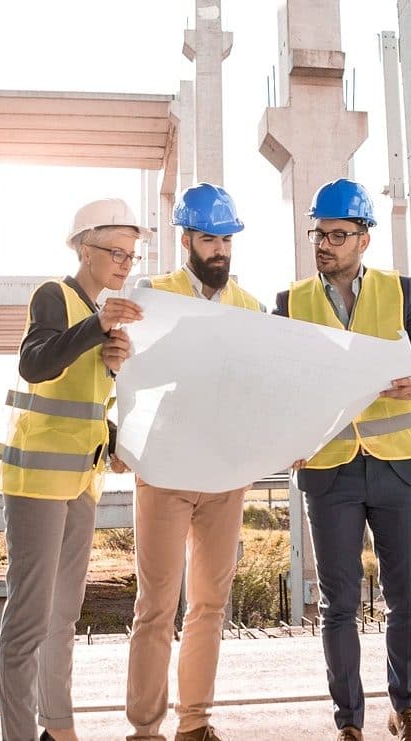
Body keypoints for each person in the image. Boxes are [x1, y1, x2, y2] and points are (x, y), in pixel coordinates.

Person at [274, 179, 411, 741]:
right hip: (330, 471)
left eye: (336, 234)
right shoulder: (290, 302)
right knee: (338, 603)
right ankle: (349, 721)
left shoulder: (399, 292)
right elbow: (273, 381)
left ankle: (406, 708)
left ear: (363, 239)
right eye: (318, 233)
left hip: (398, 466)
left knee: (407, 597)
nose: (324, 244)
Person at [0, 198, 148, 741]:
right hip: (37, 481)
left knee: (64, 616)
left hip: (82, 481)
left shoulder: (101, 315)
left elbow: (85, 406)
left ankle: (58, 728)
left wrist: (110, 362)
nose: (125, 263)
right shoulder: (54, 295)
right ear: (84, 247)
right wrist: (95, 330)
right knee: (30, 619)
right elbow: (34, 364)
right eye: (115, 252)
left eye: (132, 255)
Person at [125, 183, 265, 741]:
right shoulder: (152, 295)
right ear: (187, 239)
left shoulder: (250, 308)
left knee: (209, 604)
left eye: (227, 240)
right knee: (156, 605)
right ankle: (144, 729)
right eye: (210, 238)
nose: (221, 251)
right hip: (165, 471)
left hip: (226, 474)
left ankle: (196, 722)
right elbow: (125, 376)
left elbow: (263, 388)